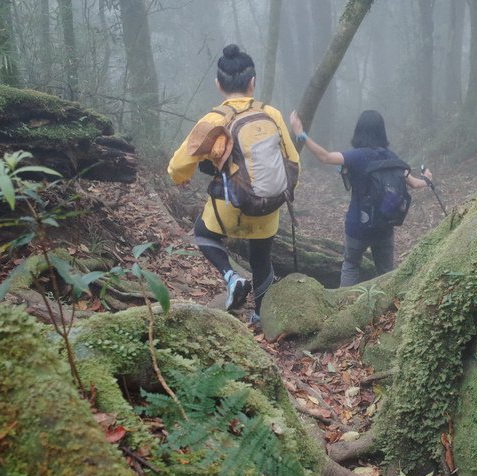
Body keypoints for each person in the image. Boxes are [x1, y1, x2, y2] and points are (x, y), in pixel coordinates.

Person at [168, 44, 300, 323]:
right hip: (268, 205)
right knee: (262, 259)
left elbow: (179, 165)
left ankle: (231, 277)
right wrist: (277, 192)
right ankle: (259, 318)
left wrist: (181, 177)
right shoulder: (272, 114)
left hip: (229, 209)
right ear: (253, 83)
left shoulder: (213, 120)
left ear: (219, 85)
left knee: (203, 234)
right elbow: (292, 159)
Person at [288, 109, 434, 287]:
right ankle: (390, 308)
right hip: (385, 225)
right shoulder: (391, 157)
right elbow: (415, 183)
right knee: (386, 273)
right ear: (382, 131)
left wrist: (300, 133)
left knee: (351, 265)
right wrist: (427, 178)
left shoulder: (356, 156)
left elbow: (324, 157)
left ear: (359, 130)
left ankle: (342, 307)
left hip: (358, 225)